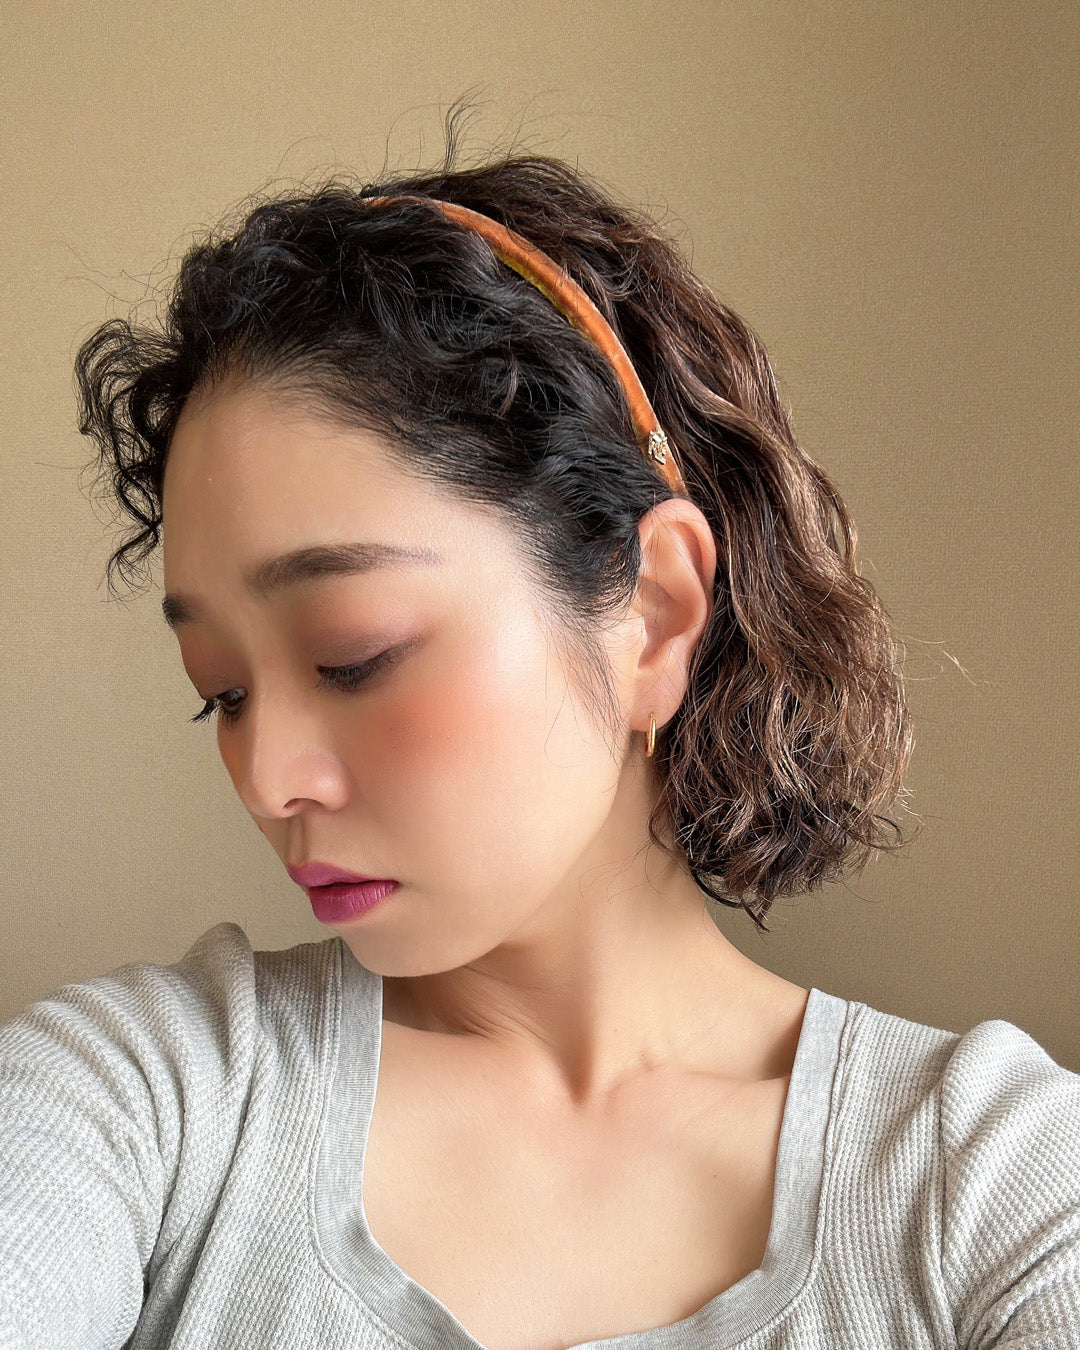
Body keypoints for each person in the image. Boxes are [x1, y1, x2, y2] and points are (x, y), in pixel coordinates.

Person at [1, 151, 1077, 1350]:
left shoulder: (996, 1182)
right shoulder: (147, 1095)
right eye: (224, 692)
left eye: (353, 656)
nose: (267, 780)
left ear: (653, 614)